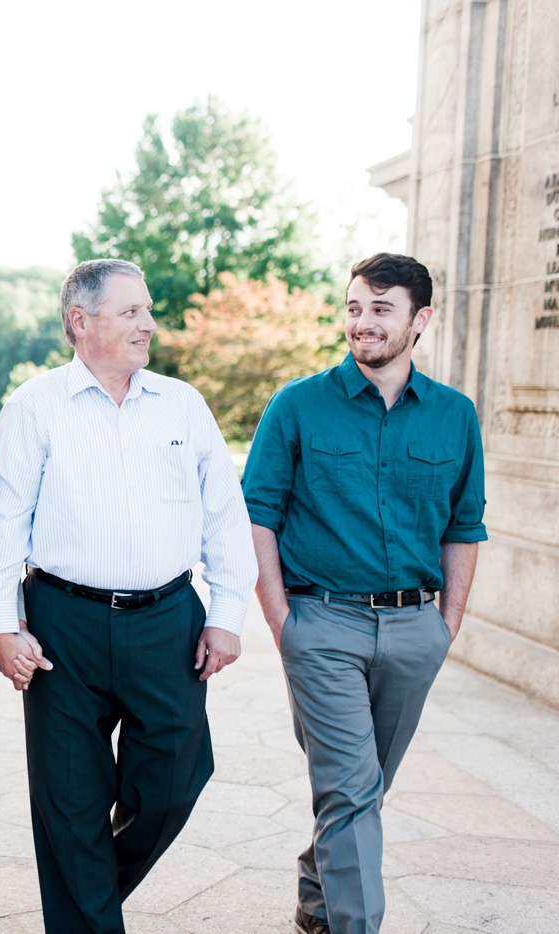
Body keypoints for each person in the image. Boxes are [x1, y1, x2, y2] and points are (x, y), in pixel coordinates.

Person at [0, 258, 257, 933]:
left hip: (167, 621)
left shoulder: (182, 403)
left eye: (148, 310)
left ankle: (87, 888)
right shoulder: (34, 404)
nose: (149, 323)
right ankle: (89, 913)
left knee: (173, 780)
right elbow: (5, 523)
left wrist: (226, 615)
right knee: (69, 801)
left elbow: (225, 515)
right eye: (132, 311)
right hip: (60, 627)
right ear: (82, 322)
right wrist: (0, 626)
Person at [242, 253, 486, 934]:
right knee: (351, 790)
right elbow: (257, 512)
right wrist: (283, 620)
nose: (363, 322)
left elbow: (465, 526)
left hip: (416, 631)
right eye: (355, 307)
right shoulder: (297, 405)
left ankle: (319, 900)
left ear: (420, 320)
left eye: (381, 309)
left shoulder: (455, 416)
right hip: (322, 623)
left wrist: (448, 624)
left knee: (360, 792)